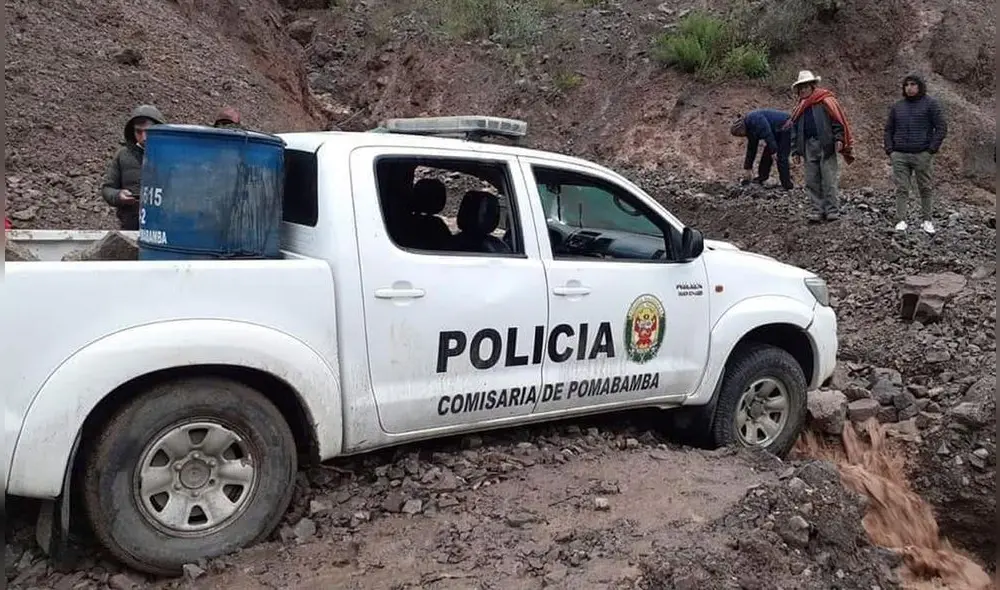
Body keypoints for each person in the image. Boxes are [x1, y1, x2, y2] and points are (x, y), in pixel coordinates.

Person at [783, 70, 855, 223]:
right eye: (800, 88)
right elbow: (795, 130)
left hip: (826, 144)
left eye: (805, 87)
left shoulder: (825, 101)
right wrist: (795, 150)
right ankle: (817, 210)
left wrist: (839, 138)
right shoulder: (800, 108)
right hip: (808, 145)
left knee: (829, 178)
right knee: (812, 180)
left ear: (812, 86)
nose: (802, 90)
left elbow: (837, 120)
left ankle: (832, 210)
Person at [883, 73, 948, 234]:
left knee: (925, 188)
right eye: (907, 85)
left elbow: (941, 128)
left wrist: (931, 150)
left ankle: (927, 220)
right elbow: (888, 129)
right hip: (900, 154)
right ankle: (901, 220)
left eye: (913, 84)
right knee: (902, 188)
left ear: (920, 86)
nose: (910, 88)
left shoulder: (930, 104)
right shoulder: (898, 107)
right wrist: (890, 150)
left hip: (922, 154)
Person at [100, 104, 166, 230]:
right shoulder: (123, 156)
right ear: (132, 131)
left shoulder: (171, 156)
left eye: (148, 131)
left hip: (162, 230)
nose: (144, 137)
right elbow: (107, 188)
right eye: (138, 131)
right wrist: (119, 195)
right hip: (130, 227)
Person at [730, 109, 794, 190]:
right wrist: (748, 168)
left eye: (740, 134)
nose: (741, 136)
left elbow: (767, 133)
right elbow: (751, 149)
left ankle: (787, 185)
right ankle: (762, 178)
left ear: (741, 129)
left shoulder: (755, 119)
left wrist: (774, 151)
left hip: (786, 125)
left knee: (781, 157)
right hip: (775, 130)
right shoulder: (750, 129)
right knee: (767, 154)